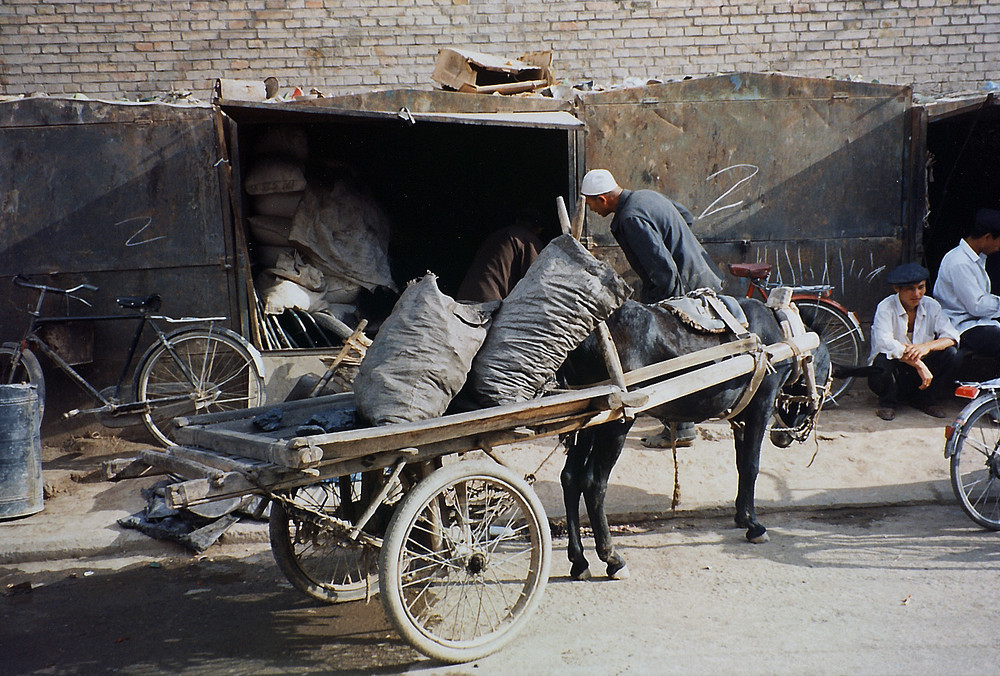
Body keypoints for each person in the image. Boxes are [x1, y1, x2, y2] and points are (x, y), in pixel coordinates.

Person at [581, 168, 722, 447]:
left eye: (591, 203)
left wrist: (658, 314)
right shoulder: (646, 196)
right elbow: (686, 217)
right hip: (699, 276)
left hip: (685, 288)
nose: (590, 209)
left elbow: (665, 272)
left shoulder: (631, 218)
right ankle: (681, 426)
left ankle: (681, 428)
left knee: (666, 357)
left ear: (603, 199)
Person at [867, 263, 960, 421]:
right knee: (883, 359)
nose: (917, 294)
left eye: (921, 287)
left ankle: (925, 400)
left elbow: (951, 337)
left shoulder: (931, 305)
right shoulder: (885, 307)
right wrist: (918, 364)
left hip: (918, 377)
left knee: (951, 354)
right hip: (894, 372)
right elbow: (884, 342)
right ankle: (887, 403)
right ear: (897, 289)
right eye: (910, 289)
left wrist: (926, 347)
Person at [933, 208, 1000, 366]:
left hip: (977, 323)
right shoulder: (959, 262)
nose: (999, 247)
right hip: (959, 327)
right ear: (987, 237)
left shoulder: (975, 259)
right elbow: (977, 306)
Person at [456, 212, 545, 303]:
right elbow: (534, 279)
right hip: (488, 300)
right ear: (538, 229)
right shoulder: (529, 240)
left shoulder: (498, 235)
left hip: (465, 295)